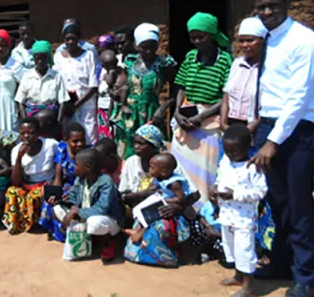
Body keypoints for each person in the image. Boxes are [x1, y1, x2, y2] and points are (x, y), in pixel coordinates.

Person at [249, 0, 314, 297]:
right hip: (270, 126)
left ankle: (305, 276)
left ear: (286, 4)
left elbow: (298, 96)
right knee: (277, 203)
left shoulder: (304, 41)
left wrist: (273, 141)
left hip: (297, 131)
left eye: (273, 6)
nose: (267, 12)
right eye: (261, 7)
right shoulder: (272, 39)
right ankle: (280, 263)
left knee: (298, 204)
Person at [171, 13, 233, 202]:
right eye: (193, 37)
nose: (197, 41)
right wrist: (176, 112)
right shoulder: (190, 57)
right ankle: (185, 211)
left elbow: (226, 96)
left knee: (205, 172)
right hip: (186, 118)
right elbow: (180, 87)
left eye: (201, 37)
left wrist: (203, 115)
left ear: (212, 35)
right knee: (182, 170)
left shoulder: (225, 61)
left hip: (210, 124)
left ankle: (204, 211)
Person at [210, 124, 268, 297]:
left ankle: (248, 287)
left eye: (234, 151)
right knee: (231, 246)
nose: (230, 154)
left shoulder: (252, 167)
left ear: (248, 147)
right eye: (226, 150)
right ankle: (238, 275)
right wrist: (215, 189)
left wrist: (235, 195)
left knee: (245, 249)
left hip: (244, 218)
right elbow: (220, 178)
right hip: (227, 214)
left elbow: (260, 192)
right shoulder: (226, 162)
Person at [111, 23, 176, 159]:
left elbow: (176, 91)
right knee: (127, 150)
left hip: (152, 114)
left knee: (151, 150)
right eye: (144, 47)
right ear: (137, 45)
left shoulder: (165, 64)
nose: (148, 51)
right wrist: (116, 96)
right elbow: (122, 86)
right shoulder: (129, 62)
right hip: (129, 114)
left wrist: (162, 109)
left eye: (152, 46)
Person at [56, 149, 121, 262]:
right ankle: (86, 240)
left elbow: (101, 209)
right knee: (57, 209)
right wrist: (67, 205)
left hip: (108, 219)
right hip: (83, 215)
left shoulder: (106, 183)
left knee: (94, 222)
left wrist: (77, 212)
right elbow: (73, 198)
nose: (74, 167)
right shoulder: (80, 179)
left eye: (77, 164)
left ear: (87, 167)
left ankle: (107, 242)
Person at [2, 117, 59, 234]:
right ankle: (16, 224)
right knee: (11, 192)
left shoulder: (51, 145)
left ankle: (34, 223)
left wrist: (54, 182)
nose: (26, 136)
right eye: (23, 133)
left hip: (46, 183)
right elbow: (16, 182)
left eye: (31, 133)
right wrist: (19, 158)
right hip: (27, 184)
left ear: (38, 133)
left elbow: (59, 165)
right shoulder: (16, 150)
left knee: (33, 197)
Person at [38, 122, 87, 242]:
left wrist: (74, 191)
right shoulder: (62, 149)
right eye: (75, 141)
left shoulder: (88, 153)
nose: (80, 144)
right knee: (51, 202)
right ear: (66, 140)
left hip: (83, 187)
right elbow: (58, 176)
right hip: (67, 186)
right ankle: (57, 231)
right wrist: (56, 192)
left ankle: (71, 232)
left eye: (82, 140)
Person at [126, 153, 188, 243]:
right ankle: (136, 230)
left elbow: (181, 199)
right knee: (142, 210)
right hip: (161, 199)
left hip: (172, 204)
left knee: (152, 216)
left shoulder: (174, 183)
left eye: (152, 167)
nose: (149, 169)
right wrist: (137, 195)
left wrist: (166, 201)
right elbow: (153, 188)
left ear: (163, 171)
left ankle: (141, 233)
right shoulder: (159, 177)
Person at [220, 17, 267, 137]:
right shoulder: (237, 64)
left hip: (257, 128)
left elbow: (270, 102)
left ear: (263, 40)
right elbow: (227, 96)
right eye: (241, 41)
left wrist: (253, 125)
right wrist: (223, 122)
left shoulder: (269, 67)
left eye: (250, 40)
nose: (245, 45)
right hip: (231, 125)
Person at [54, 21, 98, 144]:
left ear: (78, 39)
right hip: (66, 105)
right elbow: (57, 82)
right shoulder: (58, 57)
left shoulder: (88, 55)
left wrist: (77, 104)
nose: (70, 42)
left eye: (73, 39)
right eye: (67, 39)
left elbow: (93, 85)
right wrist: (66, 105)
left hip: (85, 104)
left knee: (88, 136)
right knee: (69, 136)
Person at [15, 40, 69, 120]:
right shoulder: (27, 77)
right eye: (37, 58)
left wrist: (58, 122)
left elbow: (63, 102)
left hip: (51, 120)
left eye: (43, 58)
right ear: (33, 58)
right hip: (32, 119)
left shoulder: (56, 77)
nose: (40, 61)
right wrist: (25, 120)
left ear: (48, 58)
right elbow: (20, 101)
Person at [96, 50, 119, 140]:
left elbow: (110, 85)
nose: (110, 67)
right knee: (104, 134)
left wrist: (112, 72)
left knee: (113, 134)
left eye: (112, 64)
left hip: (113, 110)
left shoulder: (116, 74)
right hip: (101, 109)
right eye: (107, 65)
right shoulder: (102, 73)